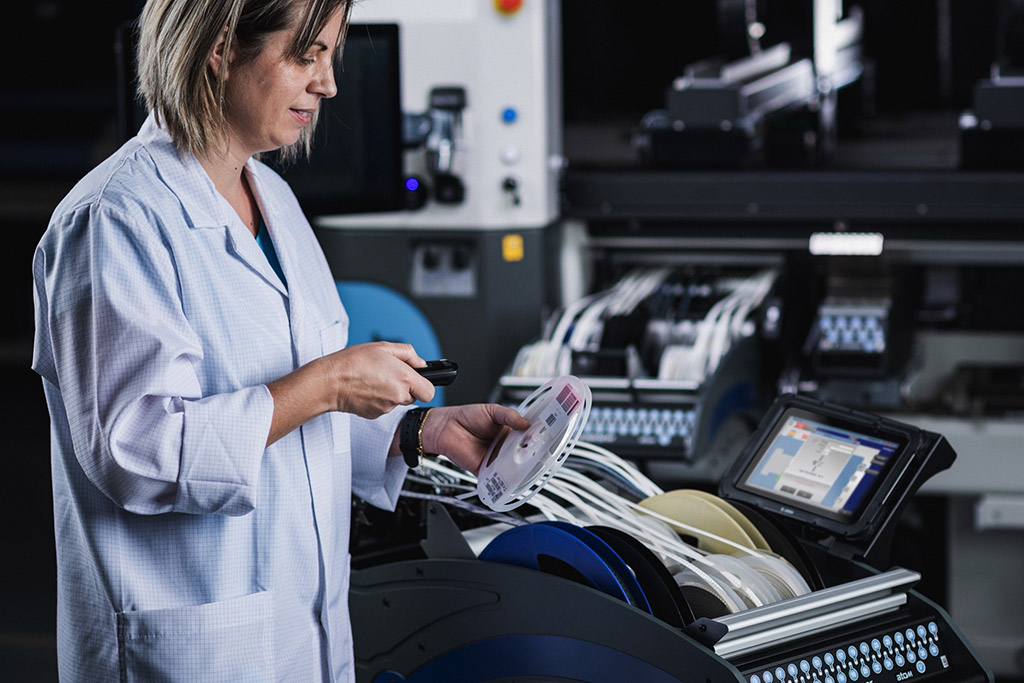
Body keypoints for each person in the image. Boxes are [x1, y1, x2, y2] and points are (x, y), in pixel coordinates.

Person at [30, 0, 529, 680]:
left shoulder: (274, 198)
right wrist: (328, 382)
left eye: (331, 56)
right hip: (187, 647)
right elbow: (136, 450)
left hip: (302, 629)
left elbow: (286, 410)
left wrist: (417, 430)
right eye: (307, 55)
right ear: (220, 48)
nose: (328, 84)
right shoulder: (114, 220)